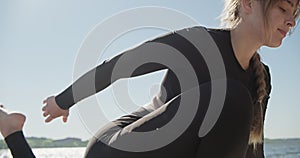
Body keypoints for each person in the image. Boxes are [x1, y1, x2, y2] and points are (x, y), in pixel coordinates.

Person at [0, 0, 299, 157]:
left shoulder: (262, 78)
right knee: (232, 98)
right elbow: (121, 66)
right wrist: (63, 102)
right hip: (118, 148)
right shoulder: (200, 44)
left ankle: (11, 130)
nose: (291, 20)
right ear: (247, 3)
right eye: (283, 8)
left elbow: (252, 149)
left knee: (236, 102)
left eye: (295, 13)